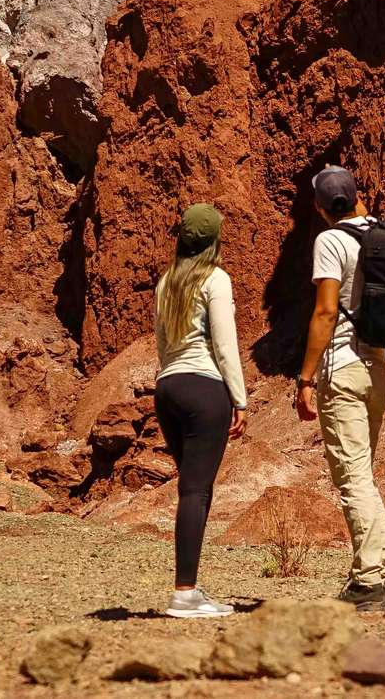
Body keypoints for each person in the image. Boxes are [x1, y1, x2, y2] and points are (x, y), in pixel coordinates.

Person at [295, 165, 385, 612]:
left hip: (342, 369)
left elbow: (325, 312)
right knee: (364, 479)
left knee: (354, 481)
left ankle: (370, 582)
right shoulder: (382, 235)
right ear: (358, 196)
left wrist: (305, 377)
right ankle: (381, 577)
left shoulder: (330, 241)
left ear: (319, 208)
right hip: (378, 368)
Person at [152, 202, 247, 618]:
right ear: (215, 240)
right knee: (196, 491)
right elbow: (225, 347)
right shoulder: (216, 279)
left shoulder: (166, 282)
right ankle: (185, 593)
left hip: (167, 387)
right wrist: (240, 399)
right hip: (204, 389)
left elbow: (161, 343)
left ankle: (190, 588)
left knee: (190, 488)